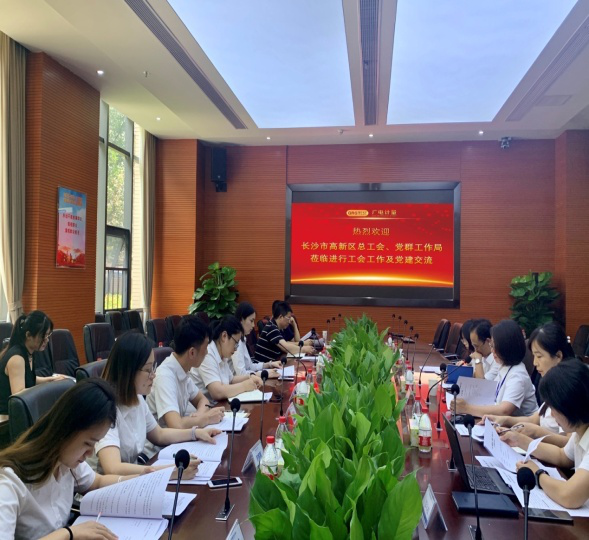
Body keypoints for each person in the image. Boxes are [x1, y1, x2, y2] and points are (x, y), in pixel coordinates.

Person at [0, 378, 139, 539]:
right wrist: (69, 533)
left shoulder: (66, 461)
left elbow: (97, 482)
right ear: (65, 430)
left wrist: (141, 480)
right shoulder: (9, 481)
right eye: (88, 443)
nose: (90, 453)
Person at [92, 332, 221, 476]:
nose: (153, 375)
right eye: (148, 370)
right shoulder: (105, 407)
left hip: (133, 478)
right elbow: (113, 468)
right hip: (109, 486)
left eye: (153, 367)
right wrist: (170, 472)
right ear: (128, 370)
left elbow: (159, 434)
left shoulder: (137, 398)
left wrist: (195, 433)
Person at [512, 359, 589, 509]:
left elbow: (568, 496)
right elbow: (563, 456)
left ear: (570, 407)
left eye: (554, 408)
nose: (552, 415)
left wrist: (538, 474)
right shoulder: (581, 428)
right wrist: (520, 440)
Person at [483, 322, 574, 447]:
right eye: (534, 356)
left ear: (558, 356)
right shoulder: (553, 384)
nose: (535, 363)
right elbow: (534, 419)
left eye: (539, 356)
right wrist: (504, 420)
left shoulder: (571, 389)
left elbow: (571, 445)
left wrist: (536, 432)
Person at [146, 316, 225, 431]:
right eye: (206, 348)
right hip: (163, 442)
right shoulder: (165, 376)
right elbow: (175, 425)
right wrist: (206, 418)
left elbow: (203, 400)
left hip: (179, 438)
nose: (207, 352)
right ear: (192, 352)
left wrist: (199, 416)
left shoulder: (182, 369)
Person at [456, 319, 538, 417]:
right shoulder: (504, 366)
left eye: (494, 347)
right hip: (503, 423)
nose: (492, 351)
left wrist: (466, 408)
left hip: (522, 425)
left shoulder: (518, 375)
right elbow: (490, 395)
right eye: (491, 346)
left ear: (507, 347)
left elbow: (504, 411)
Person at [0, 311, 67, 415]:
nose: (47, 340)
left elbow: (29, 379)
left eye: (48, 335)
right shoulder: (17, 358)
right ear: (28, 335)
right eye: (43, 336)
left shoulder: (29, 352)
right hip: (7, 416)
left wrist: (51, 379)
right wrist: (46, 389)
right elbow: (19, 396)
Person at [191, 316, 263, 400]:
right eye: (236, 343)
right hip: (207, 406)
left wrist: (250, 377)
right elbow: (217, 392)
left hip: (219, 404)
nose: (236, 348)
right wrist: (244, 386)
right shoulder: (208, 353)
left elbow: (231, 380)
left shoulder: (222, 353)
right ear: (224, 336)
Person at [232, 302, 281, 377]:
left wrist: (269, 364)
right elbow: (241, 374)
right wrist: (264, 374)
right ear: (241, 320)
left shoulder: (242, 339)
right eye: (251, 321)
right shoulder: (235, 341)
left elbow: (250, 367)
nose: (253, 325)